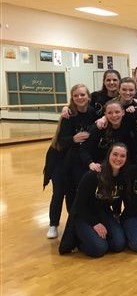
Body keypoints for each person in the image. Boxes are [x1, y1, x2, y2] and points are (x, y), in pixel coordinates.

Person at [43, 84, 96, 239]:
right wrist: (73, 139)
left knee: (74, 193)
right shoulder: (68, 115)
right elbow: (60, 141)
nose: (80, 98)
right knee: (59, 192)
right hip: (61, 160)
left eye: (82, 94)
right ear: (72, 98)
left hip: (78, 161)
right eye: (76, 95)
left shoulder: (93, 112)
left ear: (89, 97)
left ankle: (73, 223)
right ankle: (53, 224)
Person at [63, 143, 128, 257]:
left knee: (119, 244)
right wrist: (95, 223)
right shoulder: (93, 175)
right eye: (115, 154)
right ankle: (79, 239)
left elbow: (117, 198)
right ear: (108, 155)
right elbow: (79, 205)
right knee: (99, 248)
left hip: (103, 213)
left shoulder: (123, 176)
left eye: (122, 156)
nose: (118, 159)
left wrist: (116, 214)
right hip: (83, 214)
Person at [80, 101, 132, 173]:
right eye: (110, 113)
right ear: (105, 114)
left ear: (123, 112)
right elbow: (84, 149)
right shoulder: (98, 128)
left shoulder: (127, 128)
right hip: (99, 167)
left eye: (117, 112)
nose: (114, 115)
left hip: (120, 166)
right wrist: (91, 163)